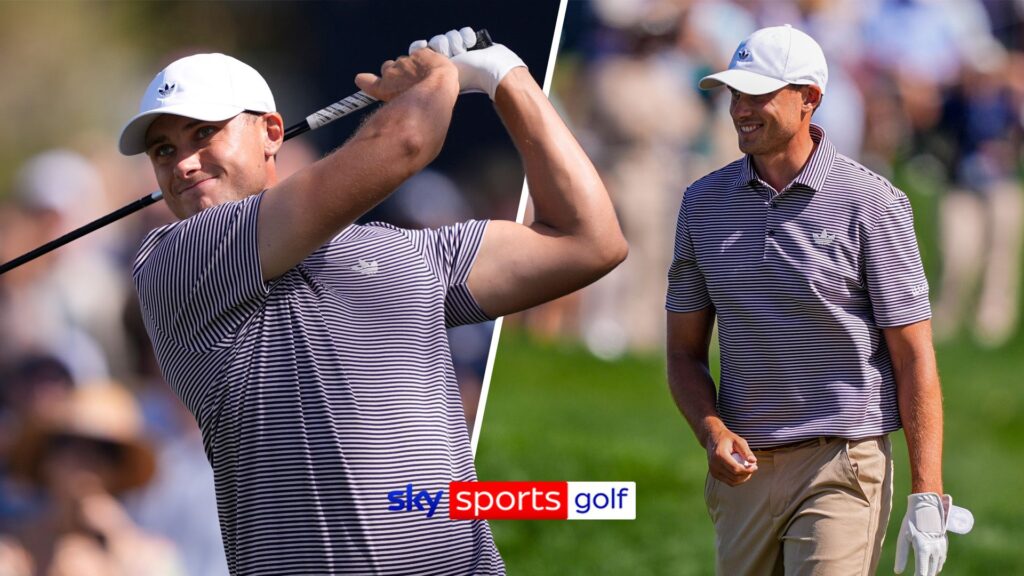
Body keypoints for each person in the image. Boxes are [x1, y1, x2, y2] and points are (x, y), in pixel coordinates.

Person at [121, 27, 626, 575]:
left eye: (204, 133)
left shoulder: (405, 252)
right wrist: (438, 77)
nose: (184, 164)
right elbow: (403, 144)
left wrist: (507, 77)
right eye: (164, 151)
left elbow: (589, 241)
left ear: (271, 132)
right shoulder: (173, 261)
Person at [665, 25, 970, 576]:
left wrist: (928, 494)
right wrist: (711, 431)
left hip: (843, 463)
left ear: (809, 99)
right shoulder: (702, 203)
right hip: (744, 472)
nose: (741, 110)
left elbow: (913, 354)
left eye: (759, 95)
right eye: (736, 94)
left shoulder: (872, 202)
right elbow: (683, 353)